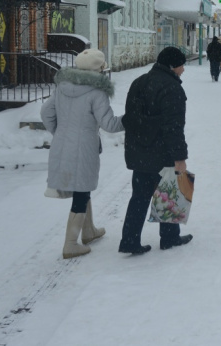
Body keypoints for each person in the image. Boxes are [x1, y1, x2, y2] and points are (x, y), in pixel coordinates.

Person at [41, 48, 123, 259]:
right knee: (81, 191)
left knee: (81, 187)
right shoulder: (97, 91)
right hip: (84, 147)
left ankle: (89, 231)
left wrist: (60, 132)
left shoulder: (63, 86)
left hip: (62, 144)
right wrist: (130, 120)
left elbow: (46, 112)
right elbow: (109, 124)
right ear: (100, 69)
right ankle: (70, 244)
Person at [119, 47, 193, 254]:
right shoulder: (172, 88)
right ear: (172, 65)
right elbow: (173, 127)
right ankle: (170, 238)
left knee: (139, 198)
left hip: (139, 150)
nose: (183, 70)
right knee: (169, 194)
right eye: (181, 65)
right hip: (163, 154)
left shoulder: (139, 82)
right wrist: (180, 157)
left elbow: (131, 118)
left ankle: (129, 241)